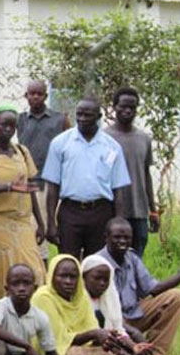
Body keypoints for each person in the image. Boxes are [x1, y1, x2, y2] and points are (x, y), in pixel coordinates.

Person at [97, 217, 180, 355]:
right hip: (109, 322)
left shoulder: (131, 257)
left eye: (127, 238)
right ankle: (132, 353)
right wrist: (134, 333)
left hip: (133, 313)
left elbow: (153, 288)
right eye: (117, 237)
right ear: (106, 237)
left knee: (176, 297)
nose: (122, 242)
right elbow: (99, 312)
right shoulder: (97, 264)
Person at [43, 97, 131, 258]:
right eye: (79, 114)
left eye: (88, 115)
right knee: (69, 261)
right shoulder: (60, 143)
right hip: (70, 212)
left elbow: (118, 190)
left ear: (98, 117)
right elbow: (53, 186)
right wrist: (50, 223)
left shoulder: (112, 147)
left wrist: (119, 221)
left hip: (101, 212)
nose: (82, 119)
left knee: (98, 264)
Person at [0, 103, 45, 301]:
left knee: (35, 270)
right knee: (3, 272)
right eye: (3, 124)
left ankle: (33, 314)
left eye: (12, 126)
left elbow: (30, 189)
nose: (8, 129)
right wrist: (7, 186)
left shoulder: (22, 152)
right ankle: (2, 317)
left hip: (23, 222)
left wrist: (40, 223)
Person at [0, 264, 84, 355]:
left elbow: (50, 352)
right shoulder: (0, 306)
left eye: (26, 283)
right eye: (15, 284)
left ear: (35, 288)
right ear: (7, 288)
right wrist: (26, 345)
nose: (21, 288)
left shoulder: (40, 316)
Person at [32, 255, 121, 355]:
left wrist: (106, 339)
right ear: (51, 276)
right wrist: (94, 334)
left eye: (73, 277)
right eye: (62, 276)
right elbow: (59, 340)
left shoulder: (81, 296)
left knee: (105, 352)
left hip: (77, 345)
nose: (68, 281)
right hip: (49, 354)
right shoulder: (43, 297)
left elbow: (91, 327)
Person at [17, 81, 71, 264]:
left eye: (39, 94)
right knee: (37, 235)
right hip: (32, 184)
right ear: (26, 96)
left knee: (57, 232)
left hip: (55, 184)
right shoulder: (20, 120)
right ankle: (41, 275)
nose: (35, 97)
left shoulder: (59, 119)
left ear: (46, 96)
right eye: (31, 94)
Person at [82, 255, 151, 355]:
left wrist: (133, 346)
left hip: (109, 344)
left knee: (134, 353)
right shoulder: (78, 302)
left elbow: (118, 329)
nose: (102, 283)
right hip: (88, 348)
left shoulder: (108, 298)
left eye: (106, 280)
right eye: (97, 278)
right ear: (84, 277)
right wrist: (114, 348)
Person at [105, 88, 158, 257]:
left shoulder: (144, 139)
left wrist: (153, 210)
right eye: (123, 106)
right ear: (114, 107)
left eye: (132, 108)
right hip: (111, 210)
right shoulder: (104, 138)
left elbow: (146, 174)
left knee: (136, 258)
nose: (127, 111)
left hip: (138, 211)